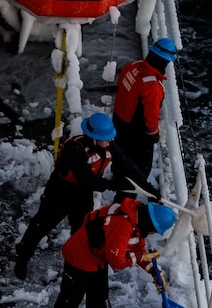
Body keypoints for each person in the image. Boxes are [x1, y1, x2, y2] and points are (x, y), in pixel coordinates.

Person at [14, 113, 160, 280]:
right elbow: (88, 180)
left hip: (83, 194)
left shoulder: (107, 144)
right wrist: (114, 185)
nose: (109, 142)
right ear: (92, 137)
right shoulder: (75, 150)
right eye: (104, 139)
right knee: (41, 225)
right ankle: (22, 257)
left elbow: (128, 165)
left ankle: (77, 266)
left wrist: (149, 189)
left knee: (83, 229)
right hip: (61, 192)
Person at [43, 196, 177, 308]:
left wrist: (154, 272)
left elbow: (138, 249)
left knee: (99, 293)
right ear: (150, 223)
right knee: (69, 301)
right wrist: (141, 258)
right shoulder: (123, 226)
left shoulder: (136, 218)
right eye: (154, 230)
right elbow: (117, 261)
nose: (152, 233)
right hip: (80, 258)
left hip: (97, 258)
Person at [112, 38, 179, 175]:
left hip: (119, 120)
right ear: (165, 61)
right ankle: (126, 194)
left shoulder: (132, 66)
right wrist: (153, 133)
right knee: (140, 166)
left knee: (120, 157)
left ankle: (118, 182)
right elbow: (151, 114)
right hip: (135, 130)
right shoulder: (153, 86)